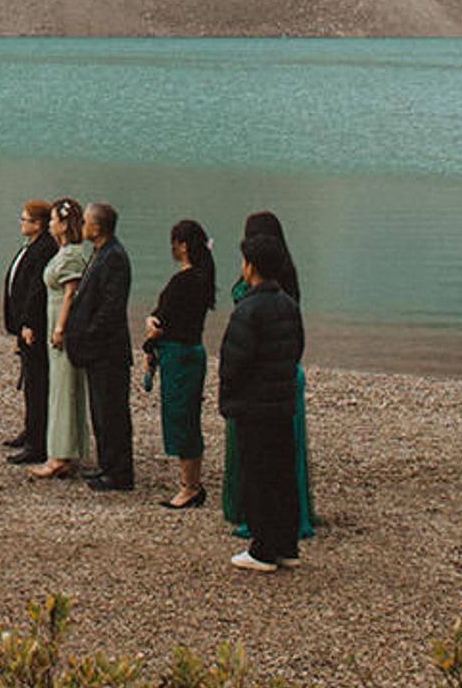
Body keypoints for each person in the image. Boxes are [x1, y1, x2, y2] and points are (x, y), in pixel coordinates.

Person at [221, 208, 317, 542]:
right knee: (280, 452)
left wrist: (229, 386)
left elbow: (240, 353)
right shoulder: (283, 283)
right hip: (283, 372)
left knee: (260, 454)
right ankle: (283, 524)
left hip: (261, 377)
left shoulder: (262, 292)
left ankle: (259, 521)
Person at [144, 219, 216, 509]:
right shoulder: (202, 278)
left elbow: (166, 321)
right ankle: (191, 483)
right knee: (188, 418)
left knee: (181, 418)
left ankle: (189, 486)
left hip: (179, 356)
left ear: (182, 246)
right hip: (191, 353)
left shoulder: (184, 281)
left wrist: (152, 325)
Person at [67, 200, 135, 492]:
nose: (82, 227)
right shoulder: (100, 253)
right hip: (98, 351)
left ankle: (119, 473)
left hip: (108, 351)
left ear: (96, 227)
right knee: (101, 411)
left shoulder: (114, 258)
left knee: (112, 412)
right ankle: (108, 465)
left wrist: (89, 335)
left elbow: (111, 307)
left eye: (85, 222)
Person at [29, 199, 90, 476]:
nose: (50, 224)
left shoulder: (73, 255)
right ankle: (64, 449)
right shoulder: (63, 252)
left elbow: (70, 293)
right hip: (53, 316)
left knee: (65, 387)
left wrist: (60, 328)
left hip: (61, 323)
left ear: (64, 225)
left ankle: (61, 455)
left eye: (54, 220)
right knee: (59, 385)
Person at [2, 199, 57, 464]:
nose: (21, 223)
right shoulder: (33, 246)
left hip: (33, 327)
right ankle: (30, 430)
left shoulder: (45, 249)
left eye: (24, 219)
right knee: (30, 381)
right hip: (23, 325)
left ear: (38, 224)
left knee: (37, 384)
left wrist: (29, 323)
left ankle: (38, 443)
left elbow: (37, 290)